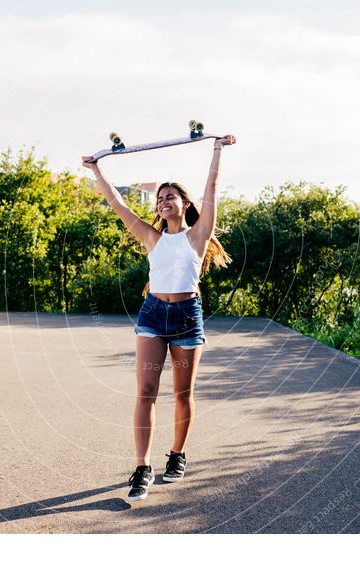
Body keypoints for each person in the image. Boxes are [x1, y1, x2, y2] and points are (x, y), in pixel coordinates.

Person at [81, 133, 236, 501]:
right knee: (145, 393)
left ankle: (177, 455)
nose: (164, 200)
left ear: (185, 204)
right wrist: (96, 170)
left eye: (171, 196)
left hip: (185, 318)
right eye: (160, 197)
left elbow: (211, 187)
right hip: (152, 315)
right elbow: (116, 203)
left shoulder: (197, 237)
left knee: (183, 394)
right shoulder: (152, 237)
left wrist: (216, 150)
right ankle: (141, 468)